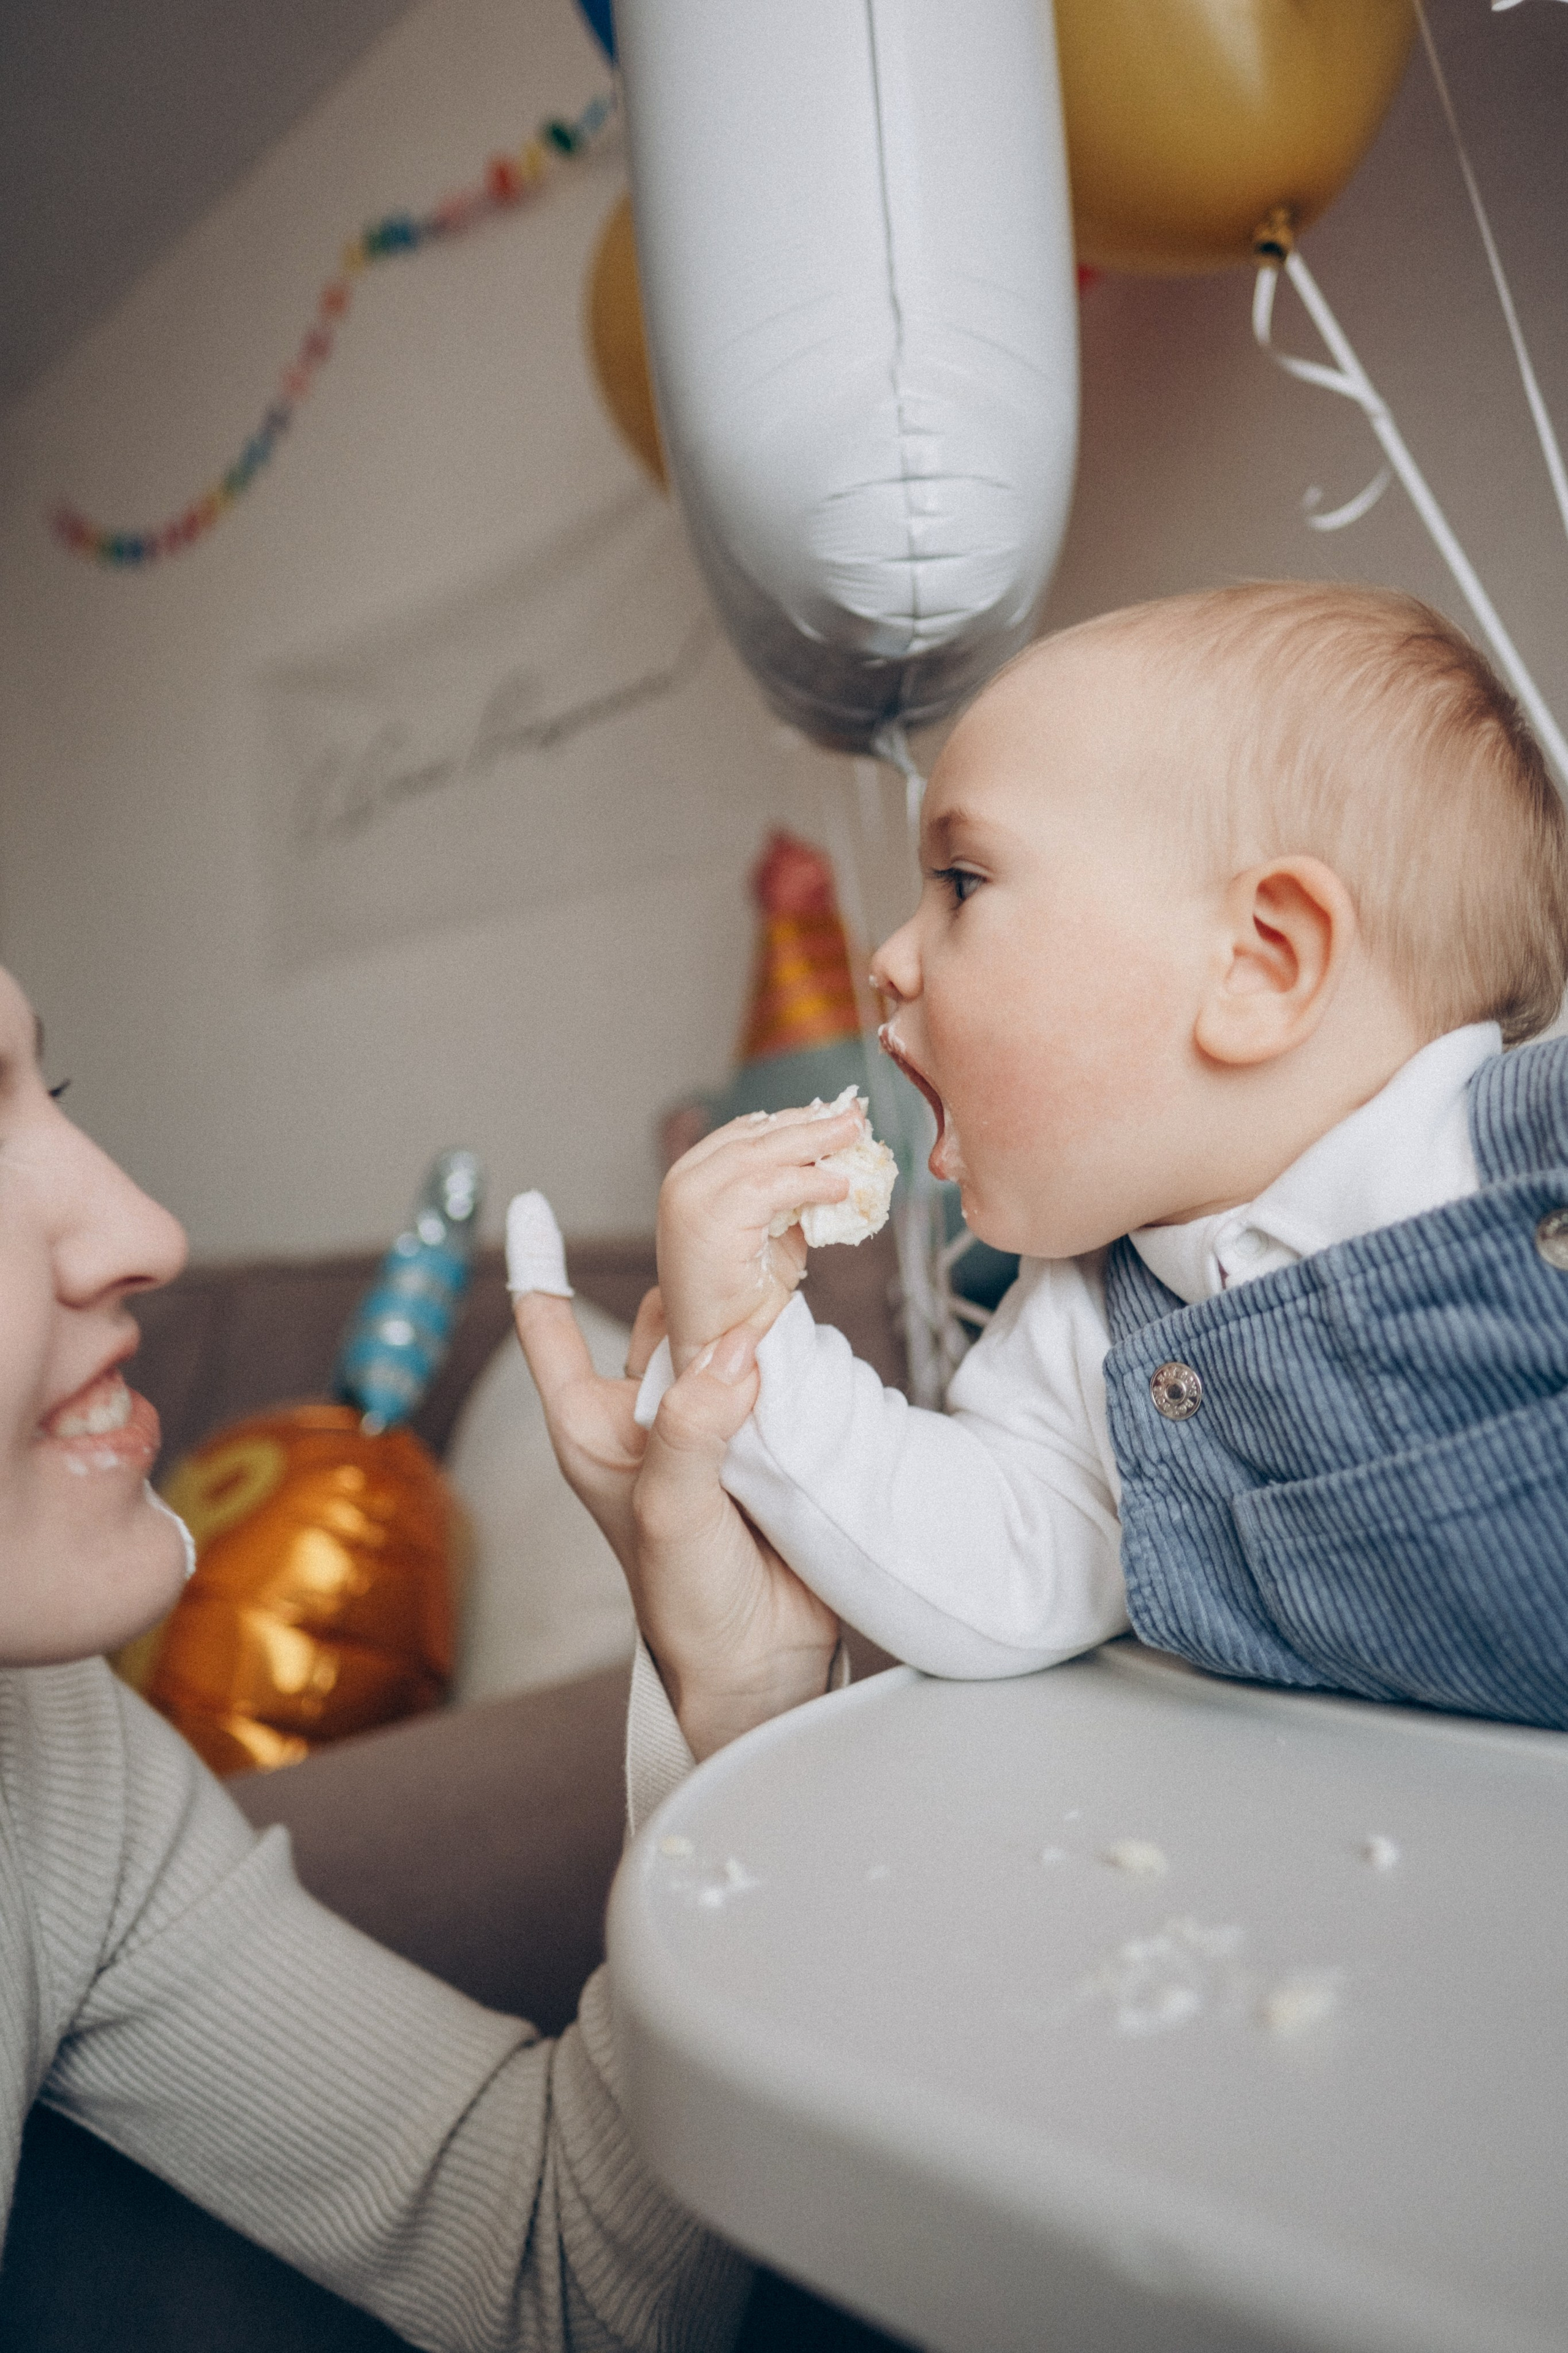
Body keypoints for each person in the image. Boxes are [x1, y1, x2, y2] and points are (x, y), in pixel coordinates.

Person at [0, 951, 843, 2353]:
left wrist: (738, 1707)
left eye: (49, 1090)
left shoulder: (56, 1750)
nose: (145, 1228)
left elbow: (549, 2270)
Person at [628, 582, 1568, 1731]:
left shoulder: (1533, 1156)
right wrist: (746, 1348)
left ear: (1262, 964)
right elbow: (994, 1572)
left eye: (963, 884)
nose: (887, 957)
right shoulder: (1090, 1318)